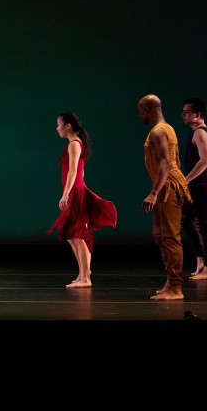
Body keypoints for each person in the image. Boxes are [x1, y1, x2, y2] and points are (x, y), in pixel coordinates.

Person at [47, 112, 117, 288]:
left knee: (78, 233)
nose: (57, 128)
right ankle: (83, 273)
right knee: (70, 233)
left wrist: (67, 193)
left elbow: (73, 170)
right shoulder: (76, 144)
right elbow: (80, 171)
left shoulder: (74, 144)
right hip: (75, 190)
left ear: (68, 126)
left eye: (58, 125)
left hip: (74, 192)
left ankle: (85, 277)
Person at [137, 94, 192, 300]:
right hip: (166, 187)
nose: (140, 116)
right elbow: (176, 161)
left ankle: (176, 288)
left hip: (167, 188)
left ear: (147, 110)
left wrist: (153, 193)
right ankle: (170, 281)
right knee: (160, 234)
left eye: (140, 111)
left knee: (170, 237)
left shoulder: (158, 131)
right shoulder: (167, 128)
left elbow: (167, 162)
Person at [180, 98, 207, 280]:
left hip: (202, 185)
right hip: (196, 185)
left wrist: (186, 179)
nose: (183, 115)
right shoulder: (196, 133)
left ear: (197, 114)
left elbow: (205, 160)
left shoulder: (200, 133)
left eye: (187, 112)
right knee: (186, 222)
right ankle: (201, 261)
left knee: (205, 226)